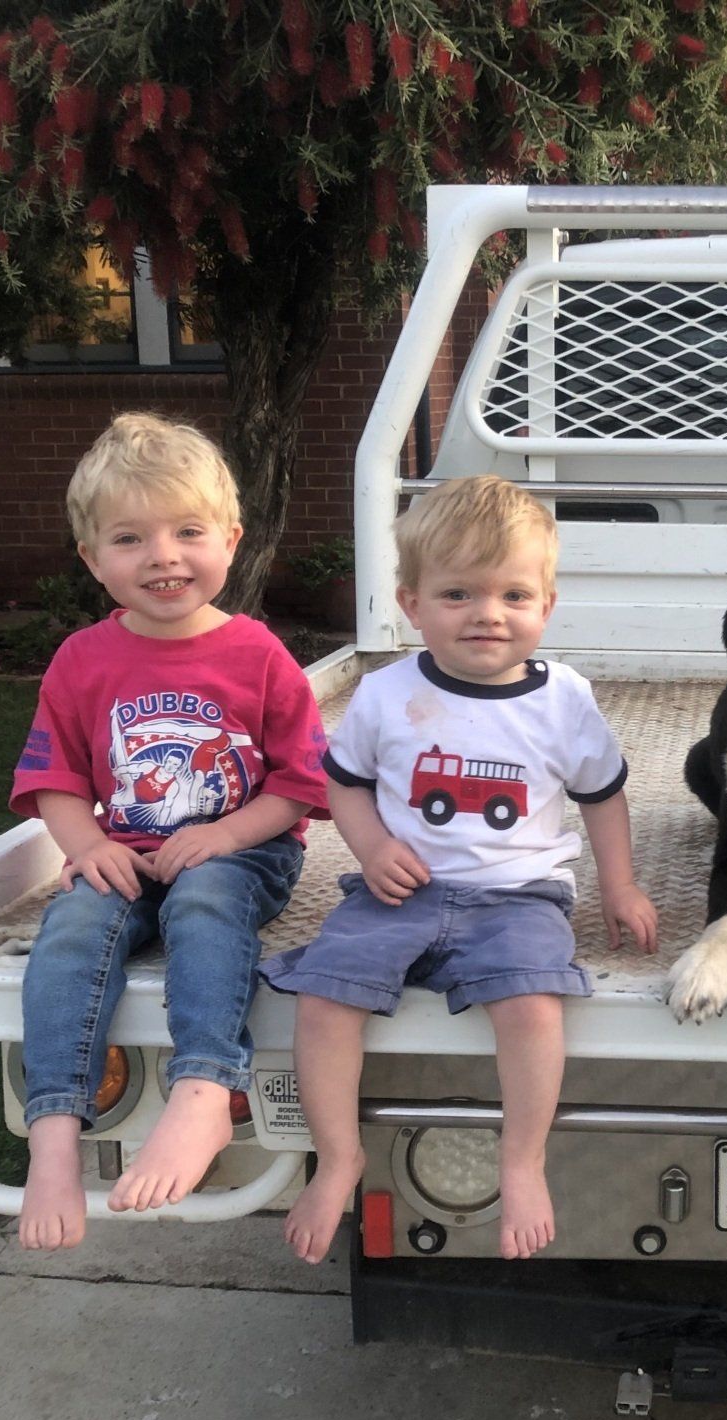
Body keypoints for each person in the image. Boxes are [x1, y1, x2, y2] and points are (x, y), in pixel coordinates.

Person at [261, 474, 657, 1263]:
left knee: (533, 1005)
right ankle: (339, 1157)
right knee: (325, 997)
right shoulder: (385, 693)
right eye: (458, 594)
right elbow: (344, 784)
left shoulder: (564, 699)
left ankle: (522, 1161)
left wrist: (620, 885)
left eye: (514, 595)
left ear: (546, 605)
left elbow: (602, 796)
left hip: (520, 899)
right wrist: (372, 848)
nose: (488, 614)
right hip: (398, 892)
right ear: (410, 604)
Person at [10, 412, 330, 1250]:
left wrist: (227, 837)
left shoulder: (258, 655)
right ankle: (52, 1135)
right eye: (130, 538)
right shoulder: (82, 661)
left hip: (243, 855)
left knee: (206, 902)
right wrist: (86, 848)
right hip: (126, 850)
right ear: (91, 559)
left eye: (188, 532)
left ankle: (202, 1095)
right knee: (72, 927)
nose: (163, 556)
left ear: (229, 539)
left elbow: (301, 785)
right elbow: (54, 779)